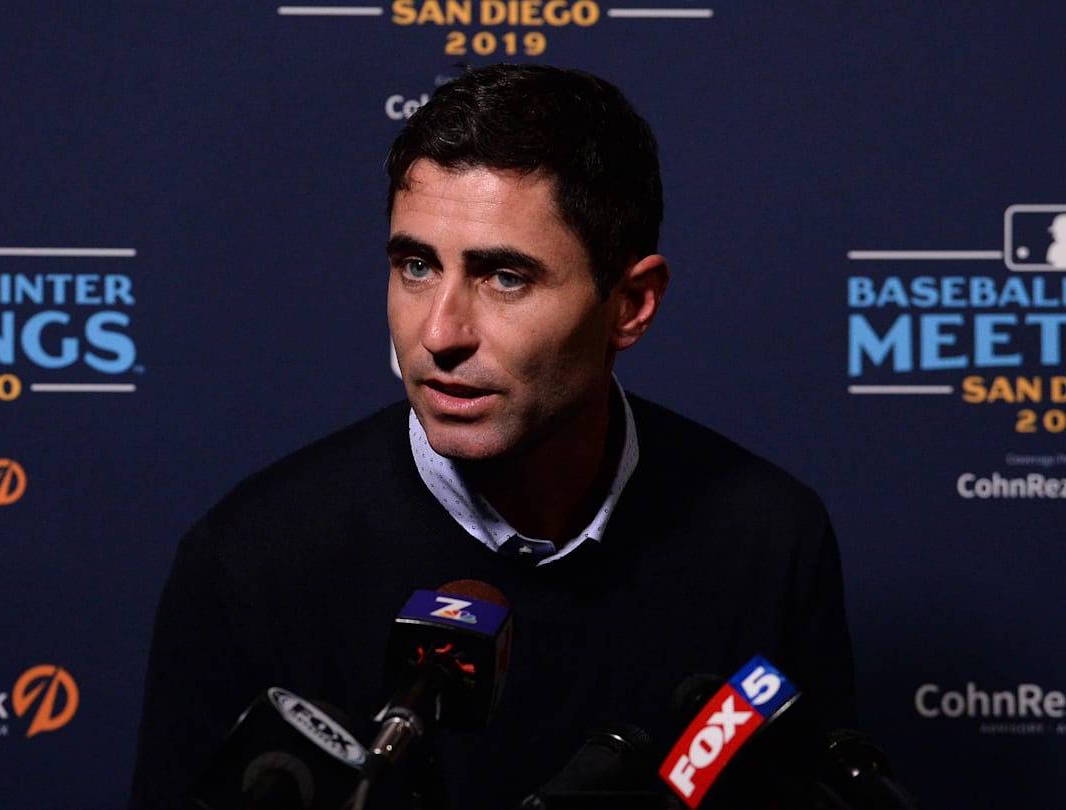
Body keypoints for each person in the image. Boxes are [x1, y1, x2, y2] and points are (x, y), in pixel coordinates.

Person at [130, 63, 855, 809]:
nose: (438, 333)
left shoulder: (769, 541)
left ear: (632, 305)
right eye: (416, 266)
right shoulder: (252, 563)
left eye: (504, 277)